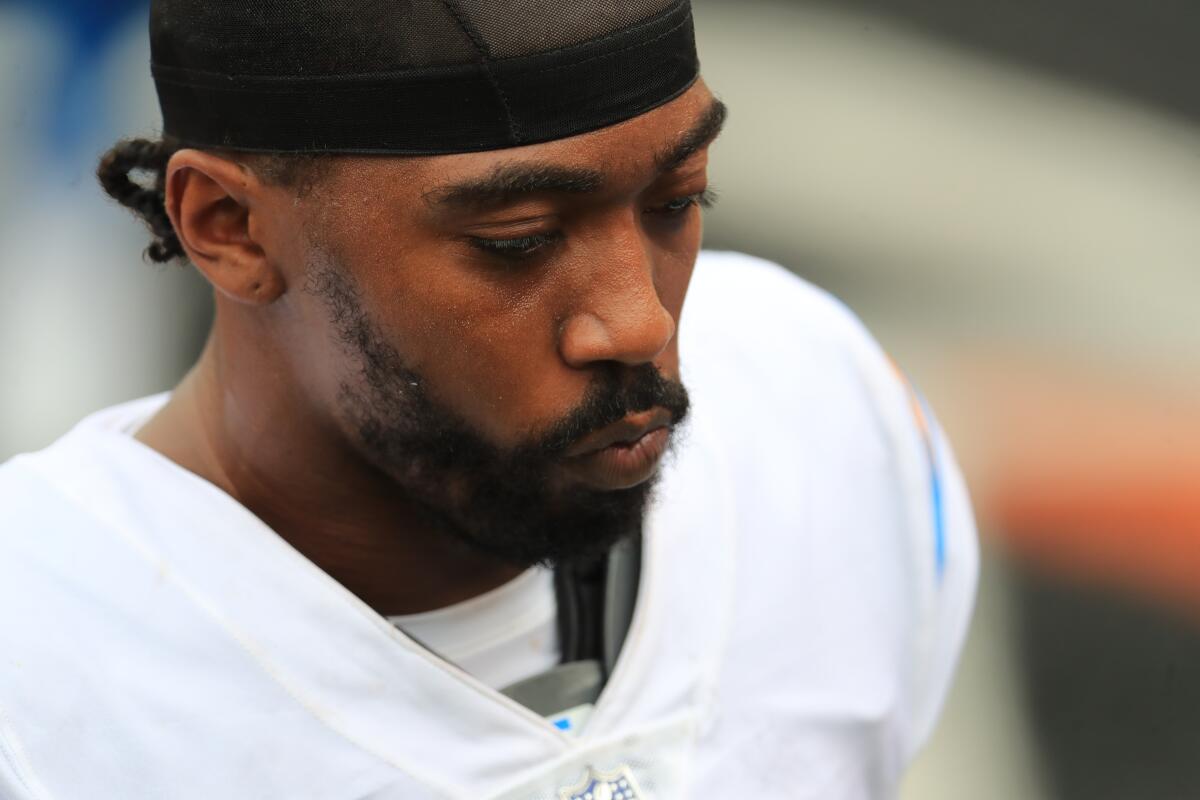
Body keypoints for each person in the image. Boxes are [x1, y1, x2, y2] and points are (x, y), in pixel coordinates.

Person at [0, 1, 977, 797]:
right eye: (519, 237)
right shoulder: (38, 666)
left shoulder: (816, 403)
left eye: (677, 199)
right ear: (232, 228)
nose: (639, 321)